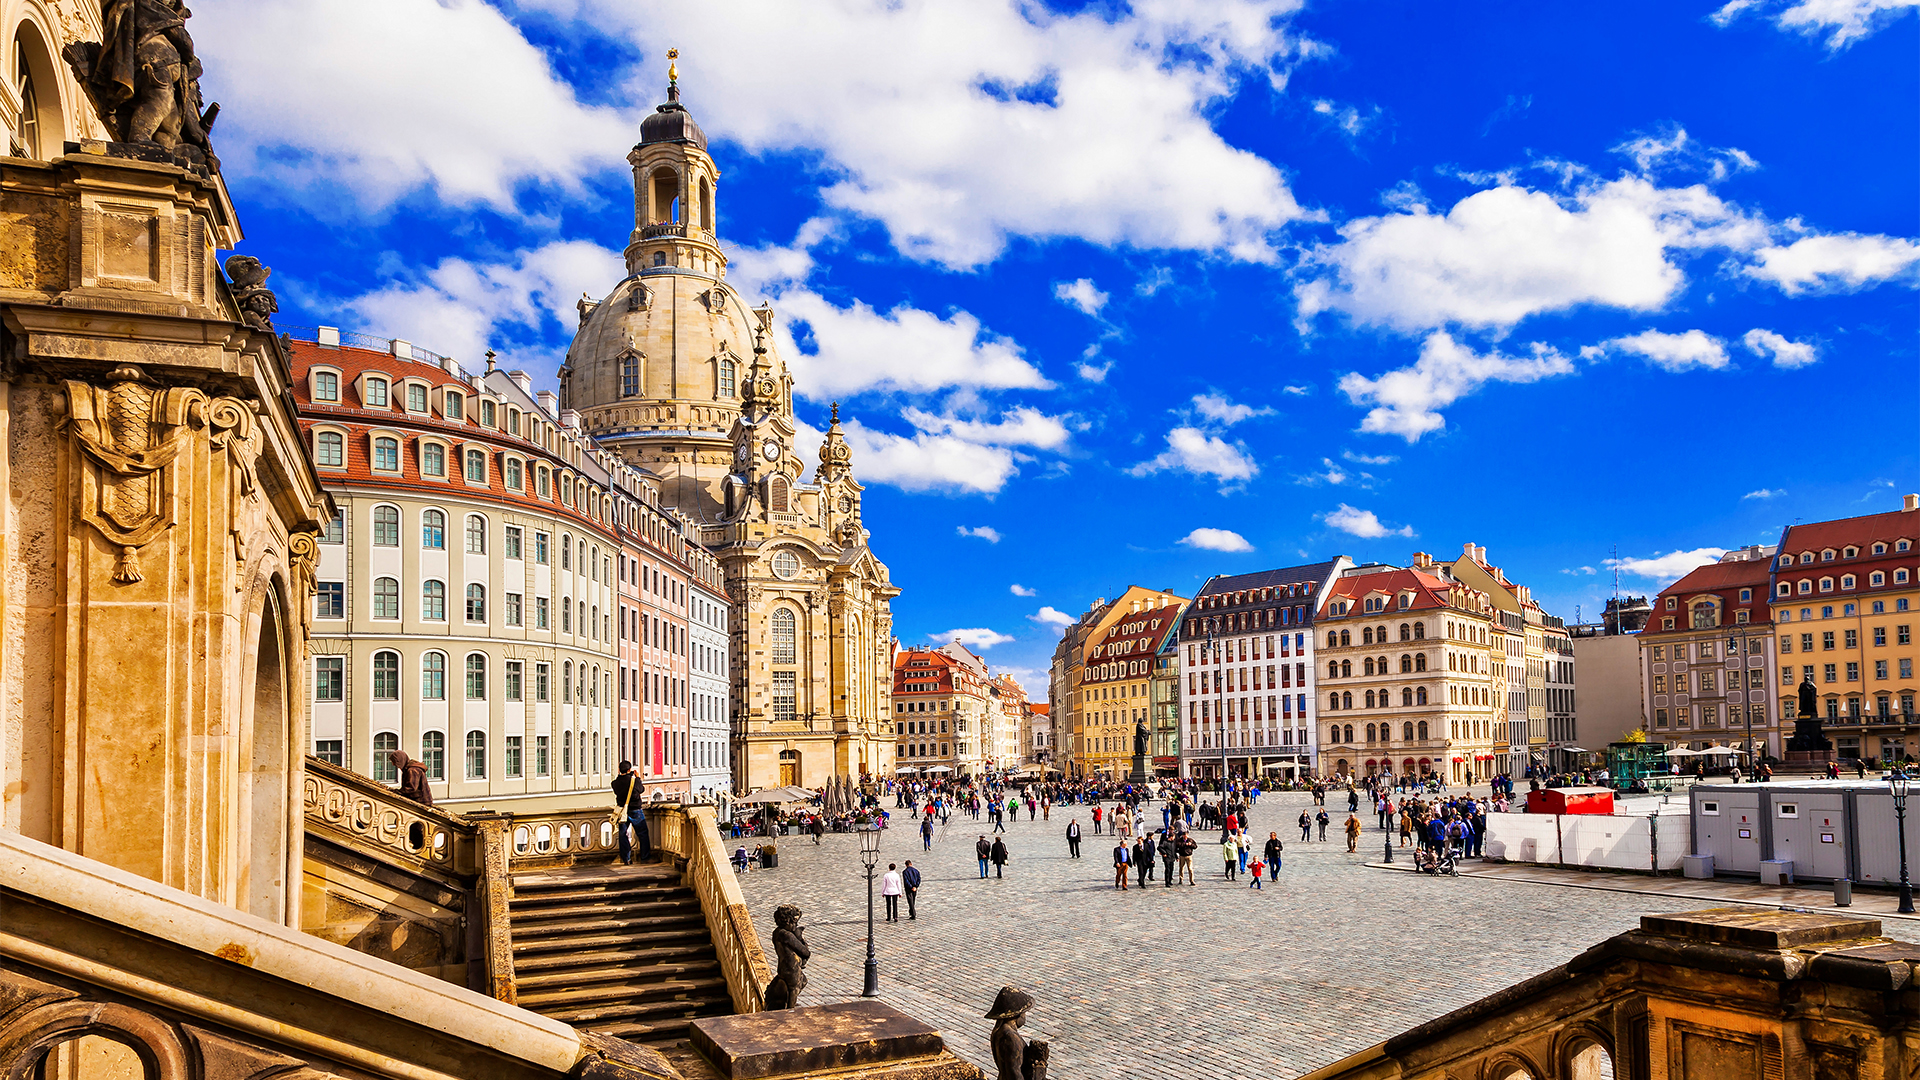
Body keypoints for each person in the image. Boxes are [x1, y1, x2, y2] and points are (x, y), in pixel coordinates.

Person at [612, 760, 649, 865]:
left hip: (622, 811)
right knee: (642, 834)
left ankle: (626, 859)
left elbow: (618, 789)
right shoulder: (633, 780)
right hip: (635, 809)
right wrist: (637, 778)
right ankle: (645, 857)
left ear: (619, 770)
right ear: (629, 770)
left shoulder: (615, 783)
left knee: (623, 834)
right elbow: (641, 789)